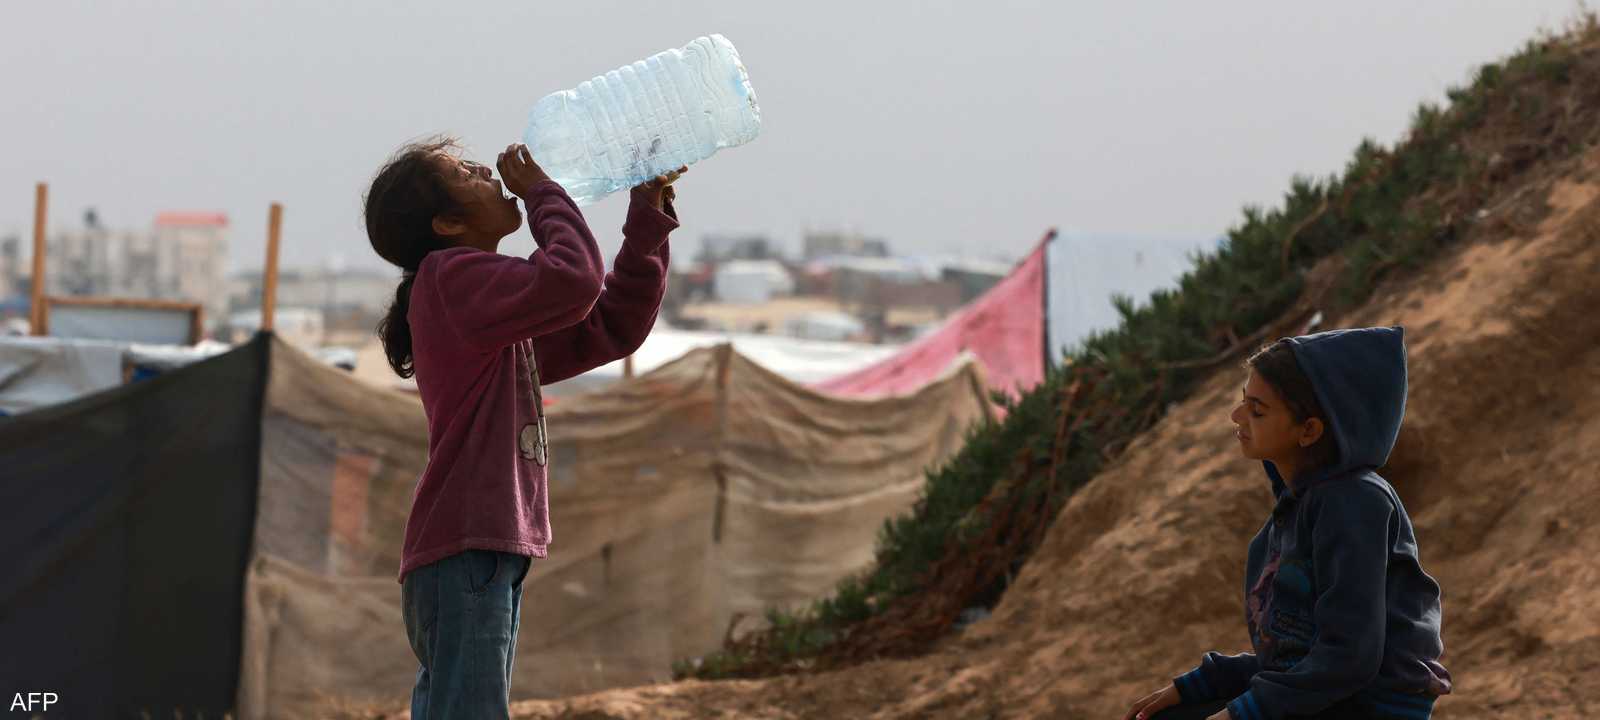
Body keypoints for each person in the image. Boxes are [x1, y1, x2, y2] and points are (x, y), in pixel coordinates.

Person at [363, 137, 683, 718]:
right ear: (447, 223)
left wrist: (647, 215)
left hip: (481, 550)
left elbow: (612, 324)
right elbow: (574, 280)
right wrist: (541, 194)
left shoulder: (486, 306)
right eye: (464, 171)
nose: (486, 169)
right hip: (467, 546)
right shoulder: (447, 279)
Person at [1124, 327, 1452, 720]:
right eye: (1244, 402)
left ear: (1309, 430)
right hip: (1333, 697)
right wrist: (1203, 682)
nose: (1237, 416)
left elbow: (1350, 658)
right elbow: (1295, 658)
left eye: (1258, 410)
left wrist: (1241, 713)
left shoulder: (1355, 503)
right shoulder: (1296, 510)